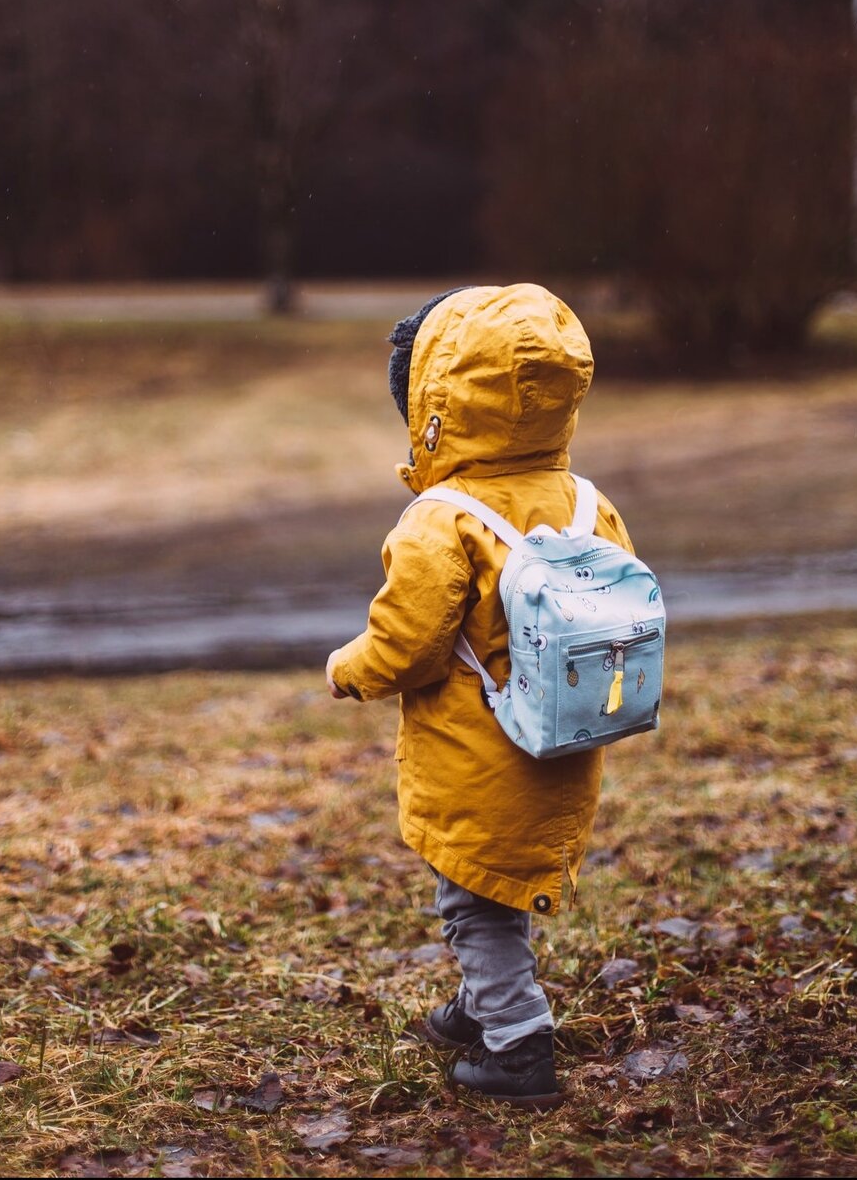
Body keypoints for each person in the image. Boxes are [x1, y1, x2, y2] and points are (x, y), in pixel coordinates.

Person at [325, 283, 634, 1111]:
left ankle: (517, 1041)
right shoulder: (585, 503)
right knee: (496, 884)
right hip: (562, 742)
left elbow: (408, 643)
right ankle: (479, 1004)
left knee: (471, 902)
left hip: (477, 752)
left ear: (435, 405)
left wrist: (348, 668)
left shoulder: (443, 519)